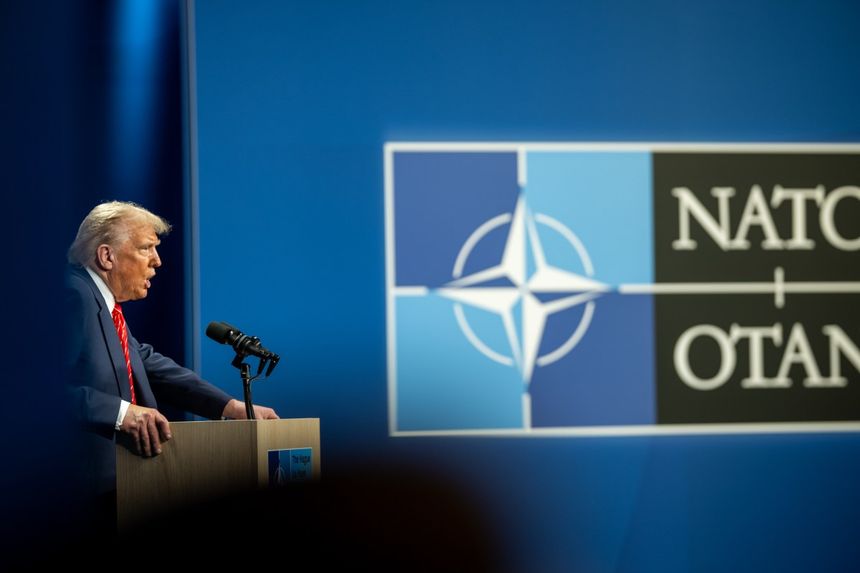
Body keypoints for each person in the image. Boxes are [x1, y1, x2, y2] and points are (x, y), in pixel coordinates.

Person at [65, 201, 278, 502]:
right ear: (106, 255)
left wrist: (230, 407)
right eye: (145, 248)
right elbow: (36, 392)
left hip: (124, 487)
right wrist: (120, 412)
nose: (158, 261)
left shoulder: (105, 306)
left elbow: (150, 366)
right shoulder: (74, 296)